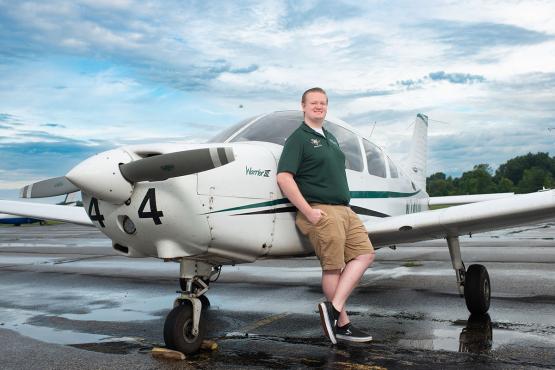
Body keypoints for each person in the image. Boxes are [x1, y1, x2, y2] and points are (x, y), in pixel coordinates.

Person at [276, 87, 375, 344]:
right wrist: (308, 211)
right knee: (333, 267)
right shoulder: (299, 138)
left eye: (323, 103)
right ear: (303, 106)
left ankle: (334, 307)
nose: (318, 107)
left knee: (365, 254)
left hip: (345, 209)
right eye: (313, 103)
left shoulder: (330, 137)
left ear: (326, 106)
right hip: (321, 210)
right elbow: (284, 177)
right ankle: (342, 323)